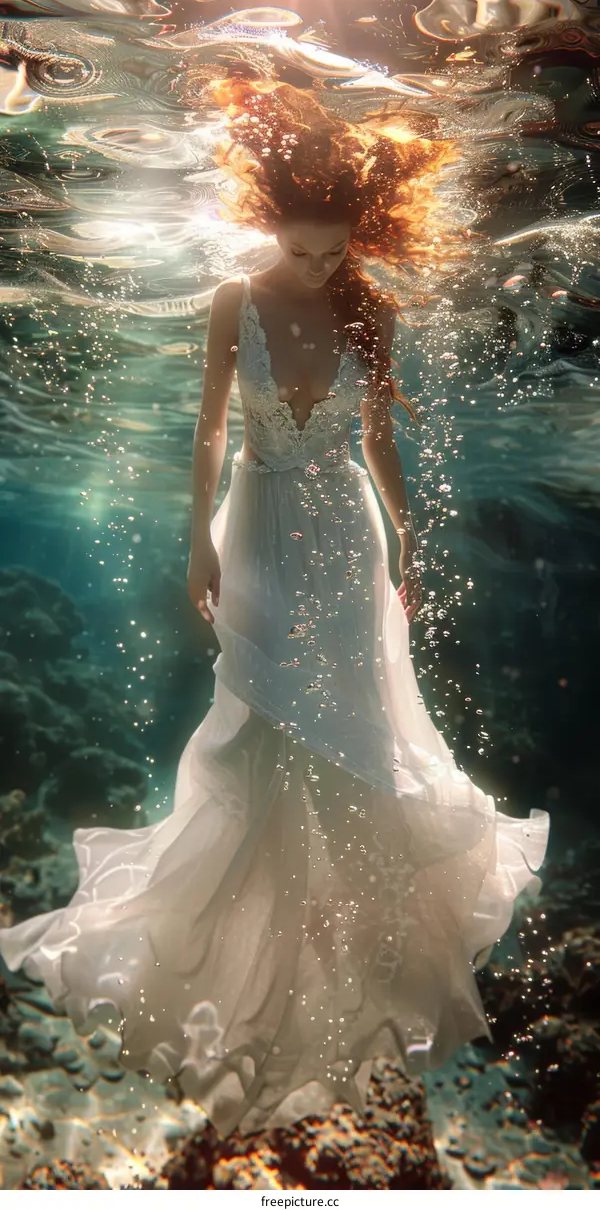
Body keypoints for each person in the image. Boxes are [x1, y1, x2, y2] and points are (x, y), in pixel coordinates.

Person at [0, 77, 550, 1140]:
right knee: (255, 732)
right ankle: (244, 974)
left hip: (346, 538)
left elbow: (382, 442)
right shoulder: (231, 300)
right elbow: (207, 433)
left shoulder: (369, 308)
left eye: (335, 250)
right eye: (304, 250)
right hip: (253, 524)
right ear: (271, 228)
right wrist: (188, 542)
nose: (321, 267)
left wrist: (416, 537)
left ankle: (344, 971)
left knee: (352, 742)